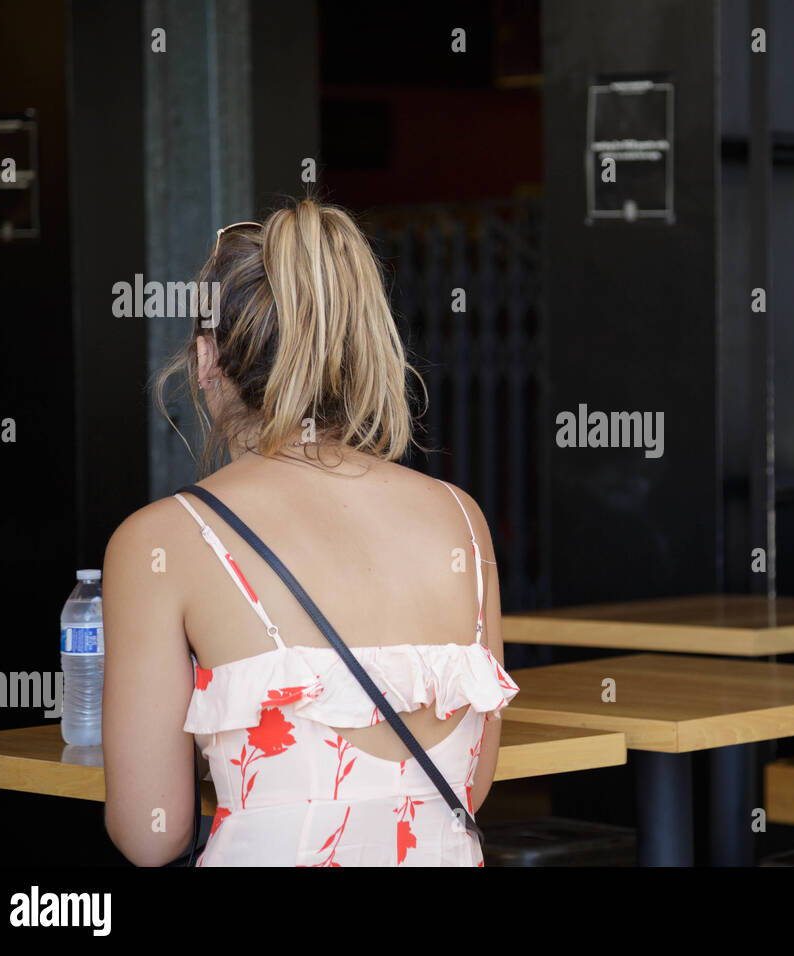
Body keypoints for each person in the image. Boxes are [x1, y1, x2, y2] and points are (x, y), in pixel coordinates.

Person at [102, 198, 518, 866]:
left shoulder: (166, 539)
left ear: (207, 360)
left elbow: (152, 835)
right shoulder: (460, 520)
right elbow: (472, 783)